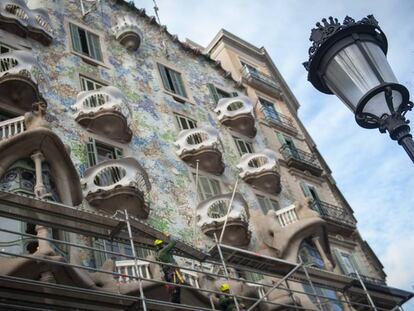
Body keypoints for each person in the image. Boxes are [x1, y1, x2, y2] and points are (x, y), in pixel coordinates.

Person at [154, 237, 184, 304]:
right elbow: (174, 241)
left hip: (167, 272)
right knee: (177, 284)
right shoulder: (164, 251)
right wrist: (168, 236)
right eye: (163, 244)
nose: (164, 245)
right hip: (172, 270)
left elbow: (160, 266)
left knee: (173, 286)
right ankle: (176, 301)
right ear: (161, 245)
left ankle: (174, 300)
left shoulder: (157, 255)